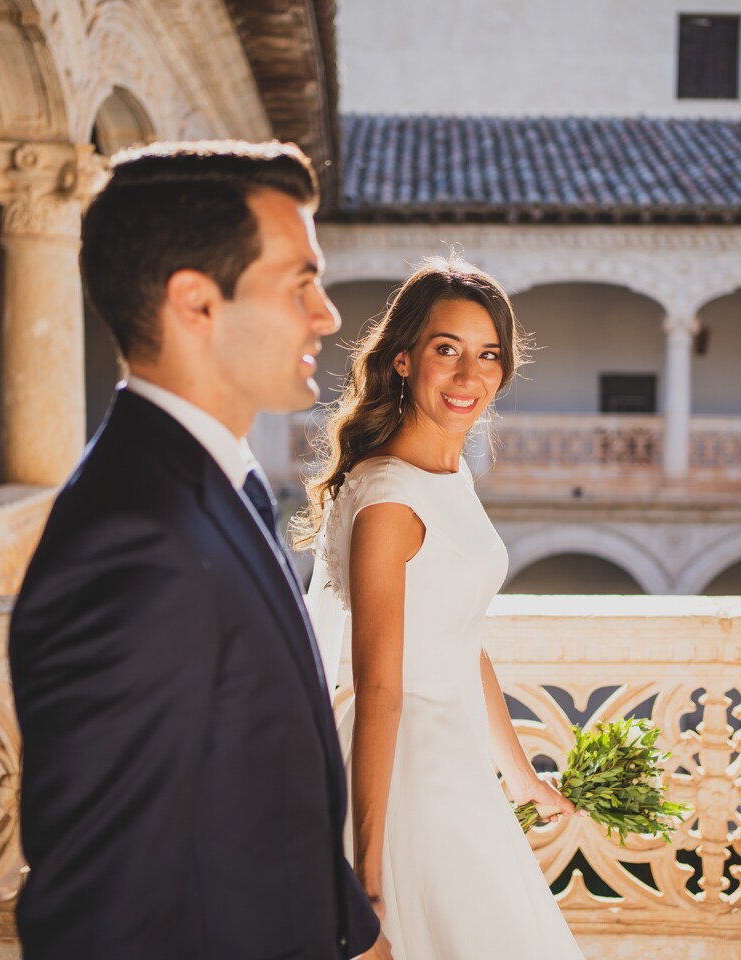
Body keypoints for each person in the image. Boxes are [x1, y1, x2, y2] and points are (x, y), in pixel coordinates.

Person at [8, 141, 388, 960]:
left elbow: (258, 781)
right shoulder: (136, 543)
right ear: (196, 304)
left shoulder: (207, 485)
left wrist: (353, 934)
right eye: (300, 283)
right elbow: (98, 910)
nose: (325, 313)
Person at [295, 258, 586, 958]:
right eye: (445, 351)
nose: (469, 377)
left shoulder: (448, 471)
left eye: (488, 355)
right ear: (402, 360)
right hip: (409, 775)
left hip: (455, 763)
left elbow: (456, 634)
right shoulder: (391, 499)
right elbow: (382, 689)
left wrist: (520, 775)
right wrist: (366, 888)